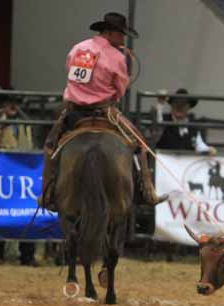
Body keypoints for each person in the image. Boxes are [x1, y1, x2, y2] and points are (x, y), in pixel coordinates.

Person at [37, 12, 167, 211]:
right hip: (104, 111)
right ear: (109, 33)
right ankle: (148, 191)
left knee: (49, 146)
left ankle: (46, 193)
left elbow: (69, 73)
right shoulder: (116, 57)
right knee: (140, 145)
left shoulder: (78, 48)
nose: (123, 39)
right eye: (121, 34)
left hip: (74, 112)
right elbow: (120, 89)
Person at [0, 93, 38, 266]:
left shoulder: (25, 124)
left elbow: (30, 147)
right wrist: (1, 117)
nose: (13, 107)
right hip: (0, 175)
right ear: (1, 105)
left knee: (28, 213)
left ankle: (27, 256)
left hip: (22, 176)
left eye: (14, 103)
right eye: (8, 103)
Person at [153, 88, 216, 154]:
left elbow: (199, 145)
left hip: (186, 163)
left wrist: (208, 149)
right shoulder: (164, 120)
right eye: (176, 103)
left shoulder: (193, 125)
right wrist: (160, 103)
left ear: (189, 107)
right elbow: (157, 127)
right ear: (171, 105)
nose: (179, 107)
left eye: (183, 104)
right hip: (164, 161)